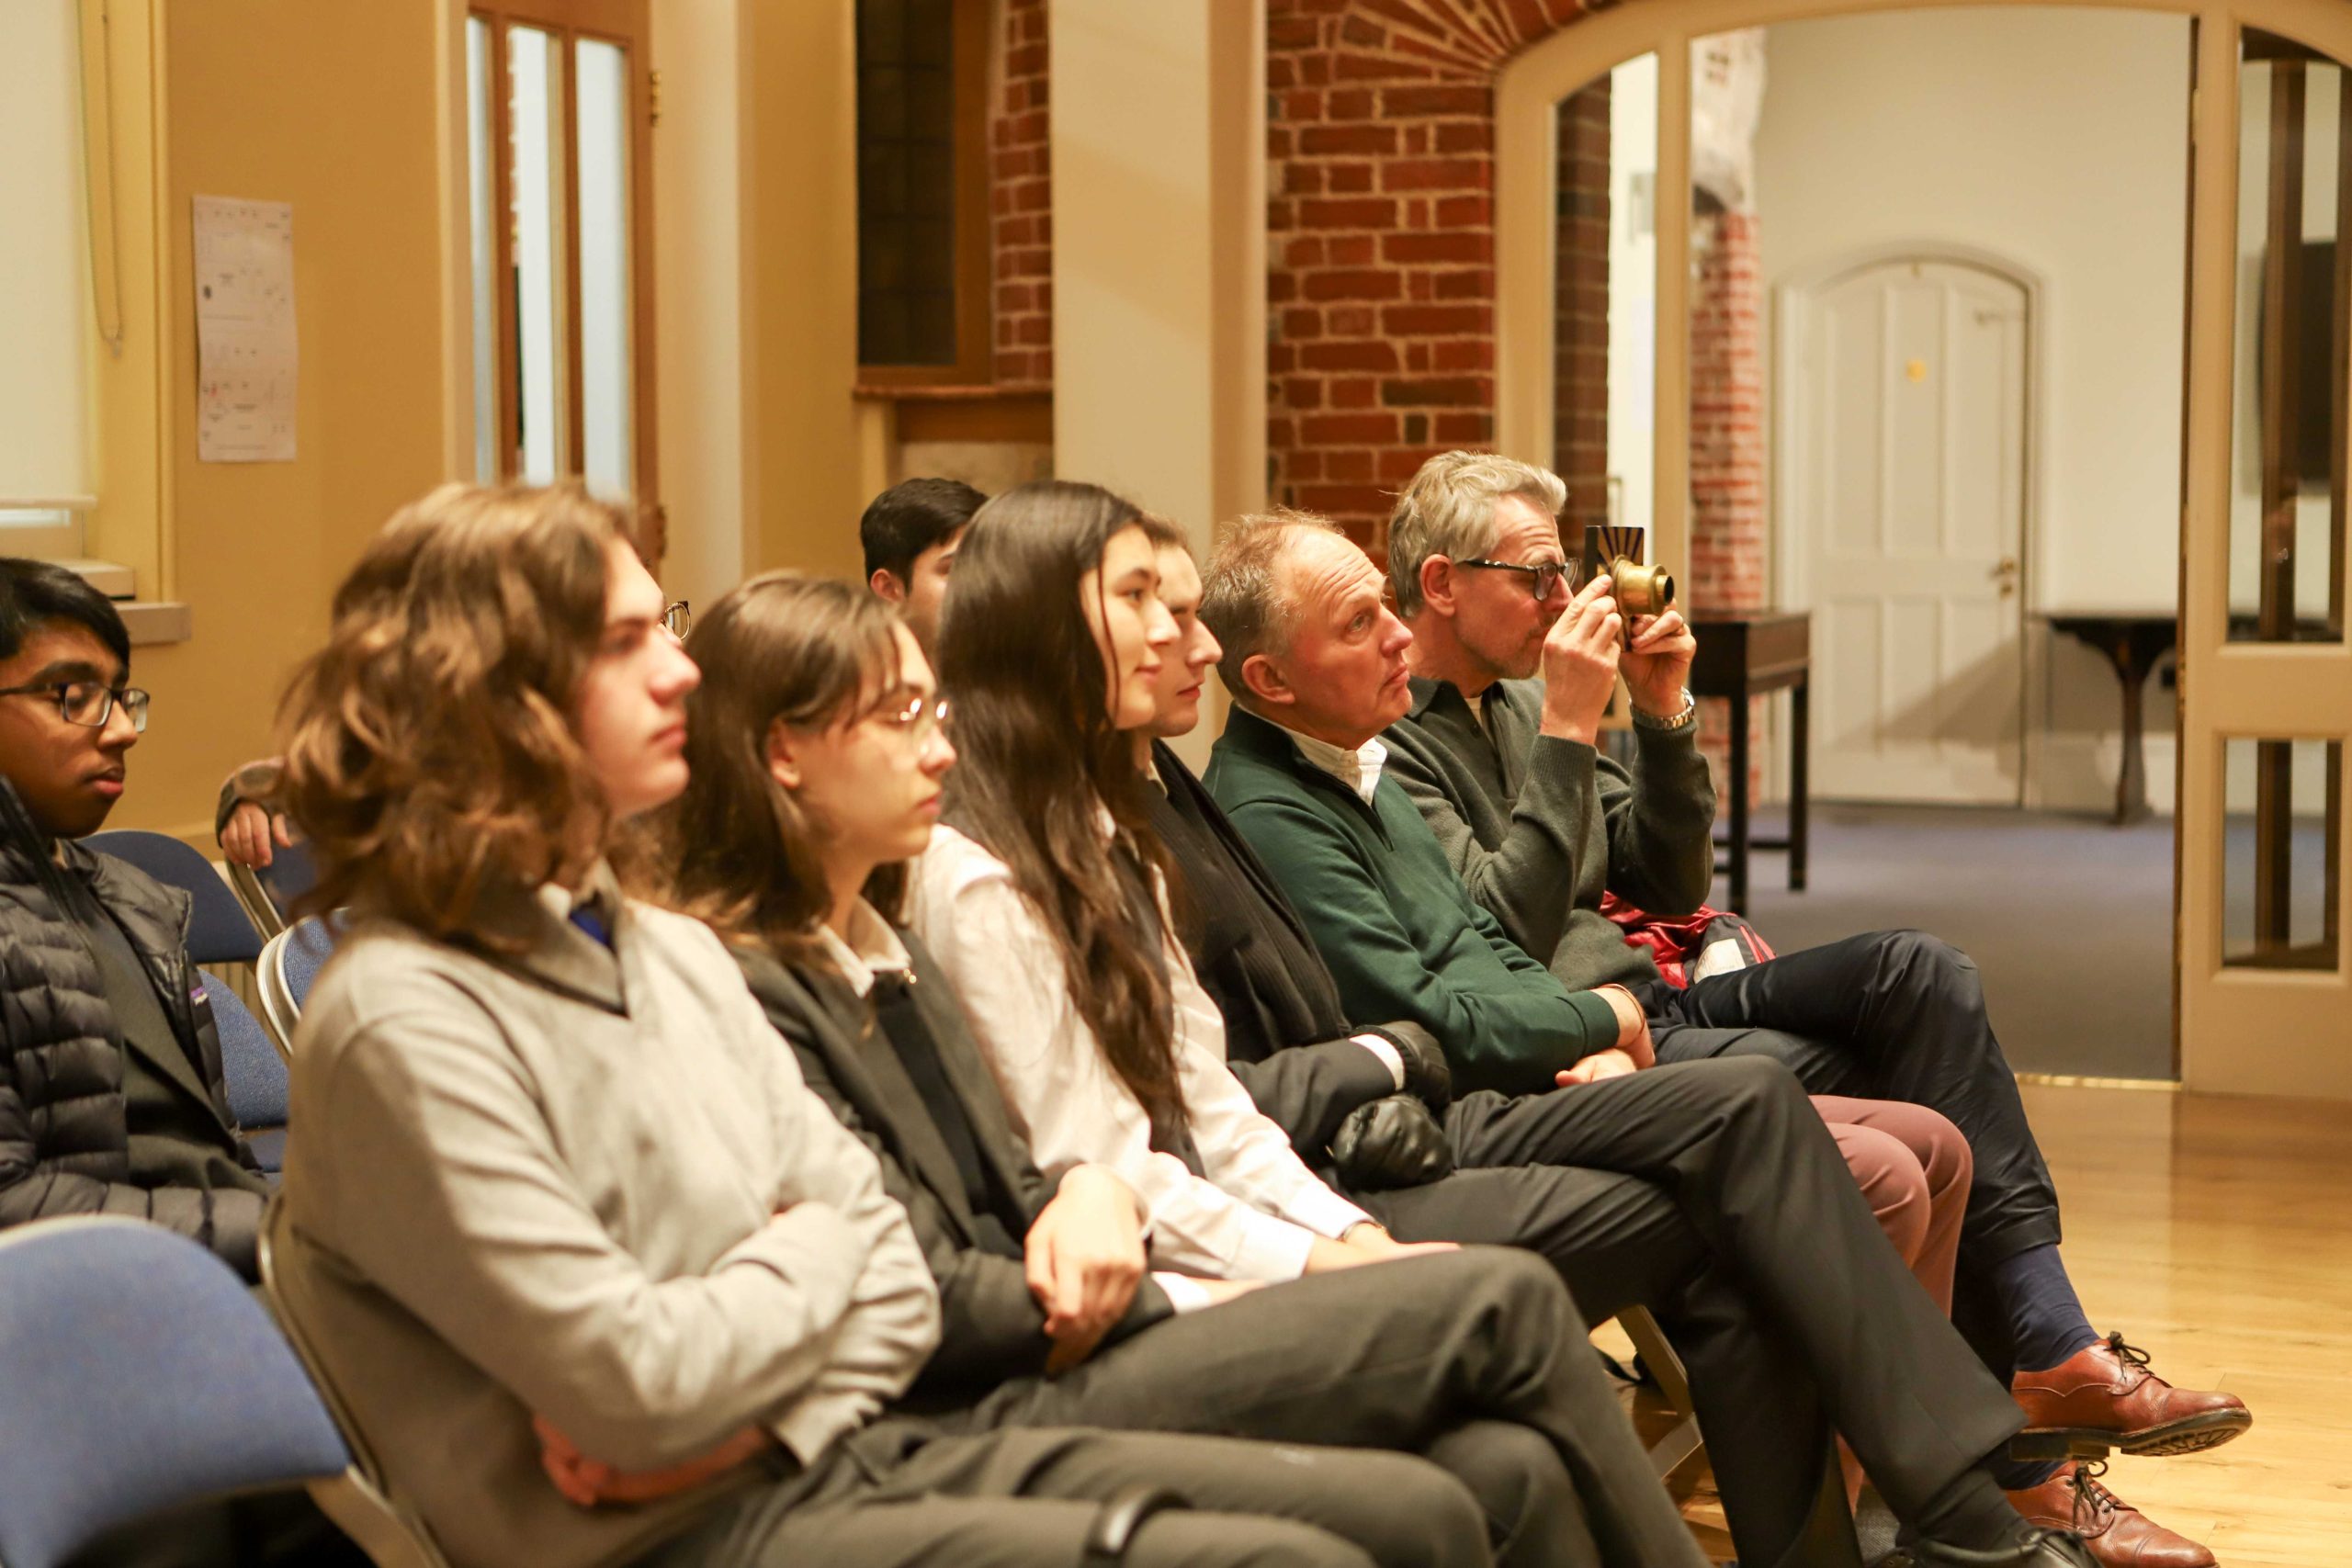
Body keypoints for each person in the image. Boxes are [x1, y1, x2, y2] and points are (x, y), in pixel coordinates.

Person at [266, 480, 1509, 1568]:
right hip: (680, 1533)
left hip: (810, 1451)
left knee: (1430, 1508)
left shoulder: (654, 942)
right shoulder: (400, 1015)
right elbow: (641, 1384)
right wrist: (812, 1261)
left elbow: (883, 1261)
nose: (682, 668)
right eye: (626, 639)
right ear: (492, 695)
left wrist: (772, 1352)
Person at [914, 480, 2093, 1568]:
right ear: (1040, 625)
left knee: (1868, 1031)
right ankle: (1973, 1503)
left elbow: (1615, 900)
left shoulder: (1125, 813)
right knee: (1757, 1124)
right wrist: (1345, 1231)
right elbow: (1149, 1149)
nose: (1197, 643)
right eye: (1142, 602)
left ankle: (1948, 1502)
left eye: (1185, 606)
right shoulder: (1044, 852)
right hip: (1357, 1149)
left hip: (1400, 1116)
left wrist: (1654, 732)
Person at [654, 569, 1714, 1568]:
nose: (1189, 641)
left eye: (935, 714)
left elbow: (1064, 1165)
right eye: (1142, 601)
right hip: (1010, 1363)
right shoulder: (883, 923)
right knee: (1512, 1303)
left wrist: (1094, 1196)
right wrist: (1171, 1244)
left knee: (1499, 1467)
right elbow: (916, 1273)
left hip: (1108, 1276)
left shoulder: (899, 932)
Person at [1375, 451, 2243, 1565]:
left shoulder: (1530, 699)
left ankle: (2047, 1353)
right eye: (1535, 575)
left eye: (1564, 572)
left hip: (1661, 999)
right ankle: (2026, 1454)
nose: (1562, 600)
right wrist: (1569, 732)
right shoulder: (1399, 744)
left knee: (1918, 975)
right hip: (1581, 1040)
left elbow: (1666, 882)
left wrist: (1662, 715)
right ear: (1441, 583)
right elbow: (1501, 929)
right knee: (1925, 1115)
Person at [0, 558, 275, 1276]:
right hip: (99, 1320)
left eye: (120, 696)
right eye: (73, 697)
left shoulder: (135, 901)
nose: (121, 729)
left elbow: (208, 1153)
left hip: (223, 1274)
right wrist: (282, 1232)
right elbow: (14, 1202)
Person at [862, 476, 986, 661]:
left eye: (988, 566)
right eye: (955, 569)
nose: (982, 586)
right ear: (888, 588)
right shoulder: (853, 684)